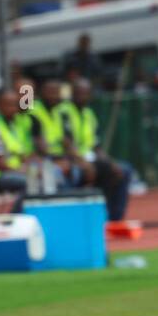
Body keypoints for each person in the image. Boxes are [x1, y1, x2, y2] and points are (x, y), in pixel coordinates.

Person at [56, 78, 134, 221]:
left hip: (90, 159)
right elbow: (66, 143)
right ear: (72, 94)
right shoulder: (64, 112)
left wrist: (110, 162)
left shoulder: (89, 114)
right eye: (79, 93)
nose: (82, 97)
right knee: (83, 173)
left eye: (85, 94)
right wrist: (84, 164)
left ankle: (114, 218)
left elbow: (96, 146)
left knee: (123, 170)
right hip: (71, 160)